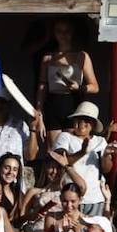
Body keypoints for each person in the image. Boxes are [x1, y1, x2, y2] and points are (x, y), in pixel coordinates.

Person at [34, 18, 99, 147]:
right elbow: (42, 85)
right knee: (54, 148)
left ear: (72, 32)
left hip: (73, 102)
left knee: (73, 146)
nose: (63, 34)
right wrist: (38, 112)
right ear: (54, 33)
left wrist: (80, 88)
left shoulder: (81, 56)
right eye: (59, 31)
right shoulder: (48, 57)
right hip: (53, 103)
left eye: (67, 31)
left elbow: (95, 87)